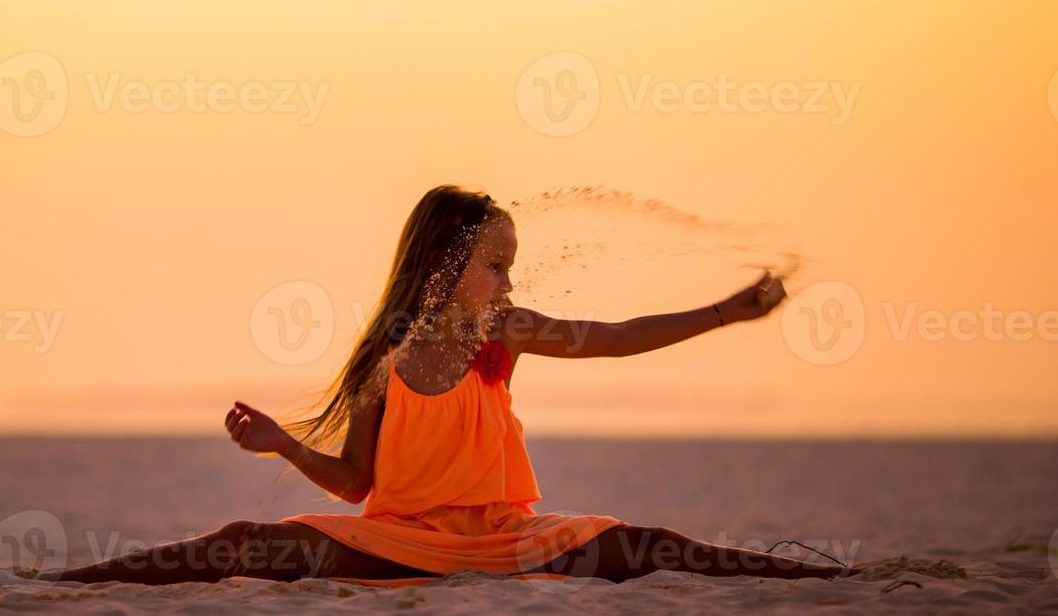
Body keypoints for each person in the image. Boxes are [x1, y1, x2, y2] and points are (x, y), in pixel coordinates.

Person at [53, 184, 852, 585]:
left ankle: (829, 578)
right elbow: (356, 483)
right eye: (495, 265)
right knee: (239, 542)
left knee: (651, 547)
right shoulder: (386, 359)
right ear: (444, 266)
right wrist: (285, 445)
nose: (508, 281)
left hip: (510, 535)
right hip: (402, 540)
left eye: (511, 265)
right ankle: (66, 583)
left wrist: (726, 313)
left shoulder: (503, 334)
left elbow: (615, 341)